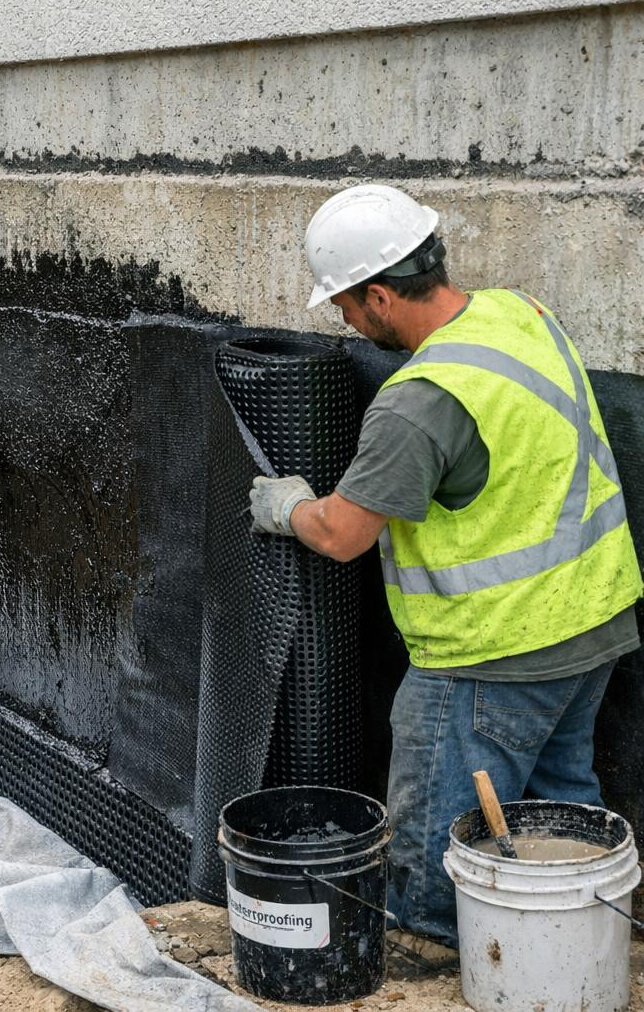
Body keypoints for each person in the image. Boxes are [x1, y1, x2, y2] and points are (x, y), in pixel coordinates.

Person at [249, 183, 642, 945]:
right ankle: (571, 951)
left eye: (346, 307)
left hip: (490, 658)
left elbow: (342, 534)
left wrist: (287, 508)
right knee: (563, 813)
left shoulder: (420, 401)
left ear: (379, 297)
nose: (347, 323)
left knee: (436, 845)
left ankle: (436, 960)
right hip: (595, 623)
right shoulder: (521, 314)